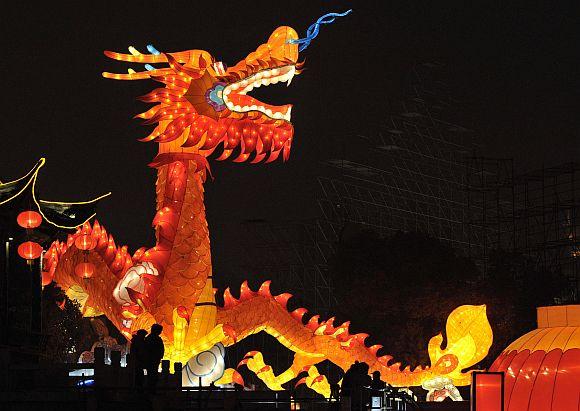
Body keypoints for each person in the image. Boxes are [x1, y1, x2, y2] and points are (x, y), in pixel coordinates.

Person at [144, 323, 164, 393]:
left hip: (153, 360)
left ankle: (151, 389)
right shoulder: (152, 339)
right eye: (160, 330)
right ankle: (151, 390)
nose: (161, 332)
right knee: (152, 375)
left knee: (152, 375)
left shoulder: (149, 338)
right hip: (152, 360)